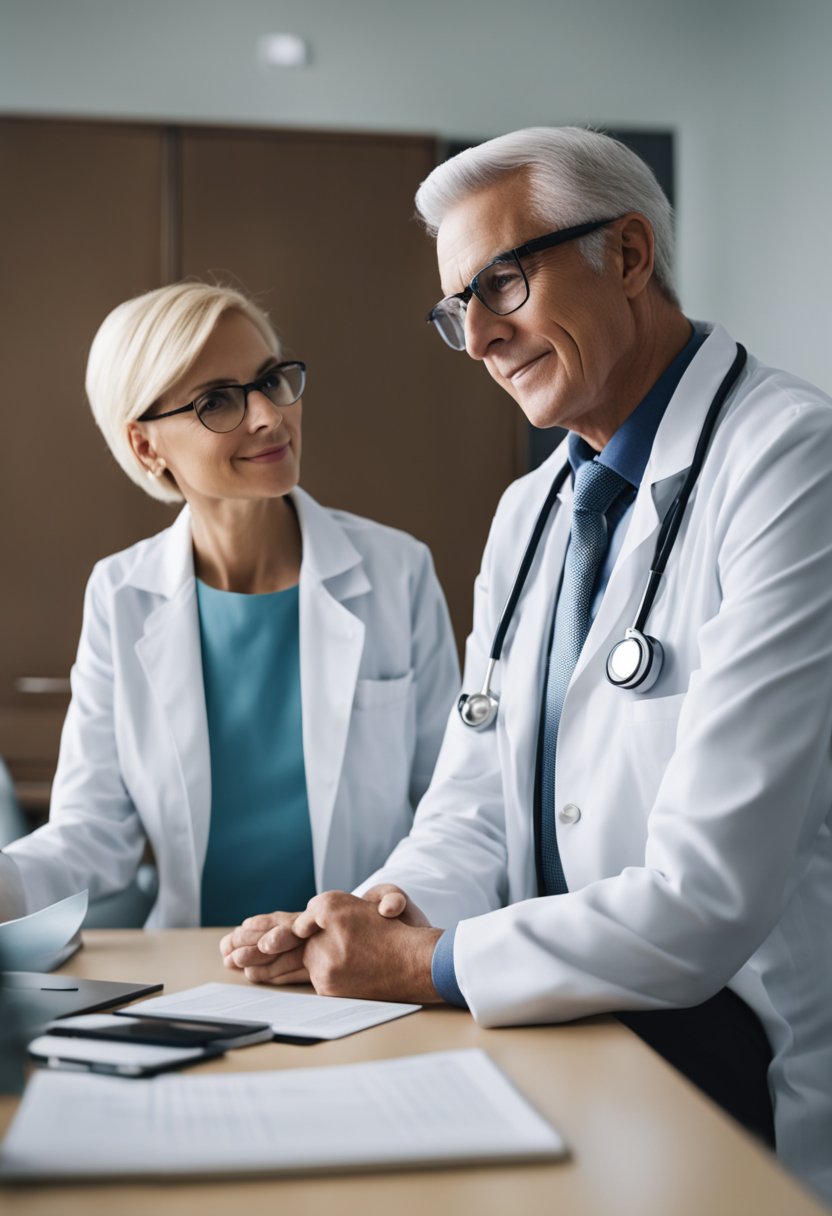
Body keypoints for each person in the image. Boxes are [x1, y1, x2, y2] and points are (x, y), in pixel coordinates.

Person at [220, 129, 832, 1204]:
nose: (480, 338)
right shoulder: (528, 512)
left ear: (629, 255)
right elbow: (474, 804)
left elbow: (707, 896)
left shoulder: (789, 465)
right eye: (457, 308)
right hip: (579, 1048)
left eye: (501, 282)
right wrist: (362, 919)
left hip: (751, 1072)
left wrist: (420, 965)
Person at [0, 281, 459, 928]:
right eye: (216, 401)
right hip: (193, 966)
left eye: (270, 381)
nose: (269, 416)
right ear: (146, 445)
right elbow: (94, 830)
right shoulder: (120, 594)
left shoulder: (397, 571)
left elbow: (450, 804)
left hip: (361, 960)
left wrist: (374, 919)